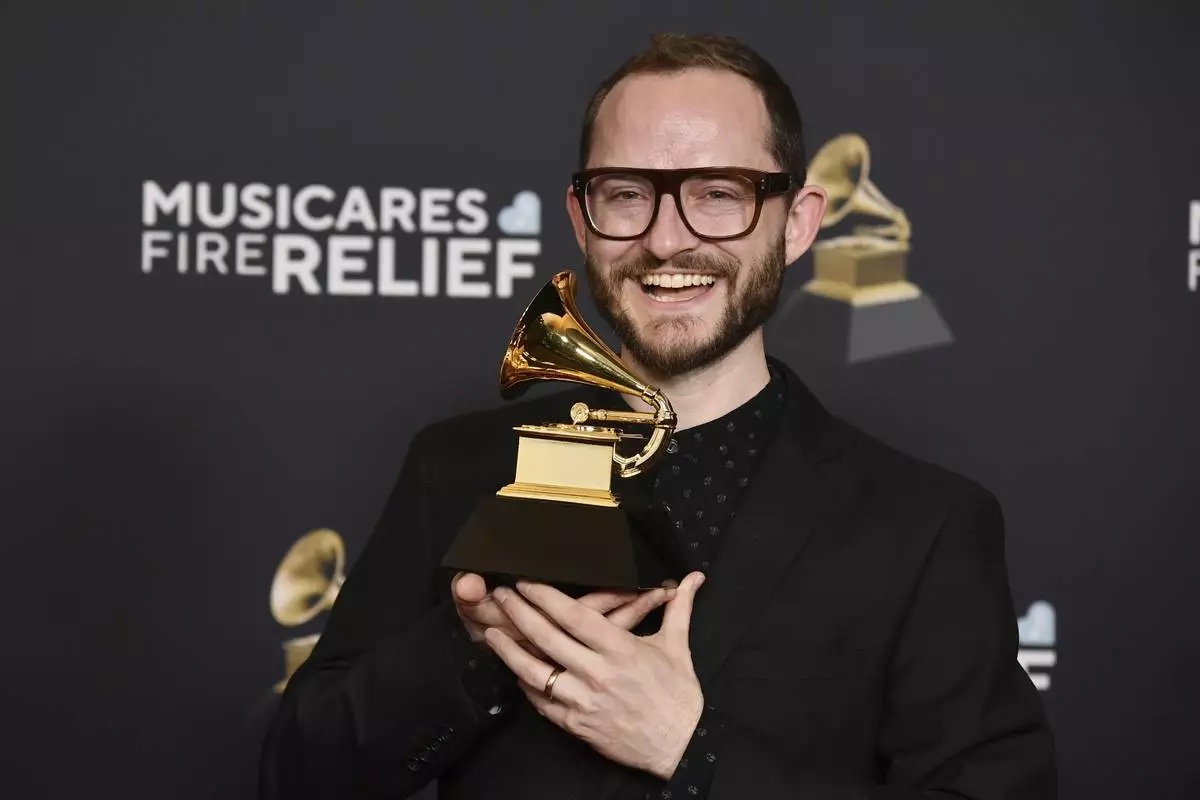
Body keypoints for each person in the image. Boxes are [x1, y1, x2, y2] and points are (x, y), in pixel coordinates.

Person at [258, 33, 1057, 800]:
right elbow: (300, 775)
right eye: (627, 195)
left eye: (719, 195)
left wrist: (689, 749)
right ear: (581, 218)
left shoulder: (925, 526)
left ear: (800, 222)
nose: (666, 240)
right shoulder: (458, 466)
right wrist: (477, 647)